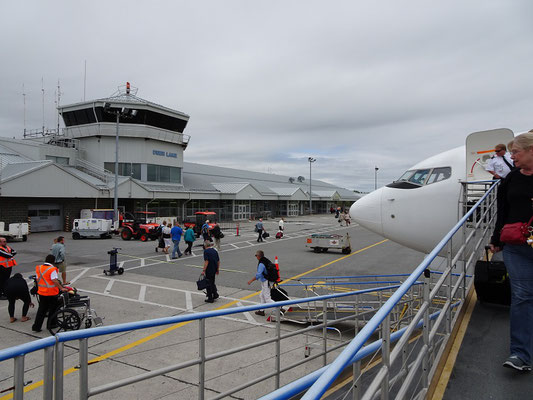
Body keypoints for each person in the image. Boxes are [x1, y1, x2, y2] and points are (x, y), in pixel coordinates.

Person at [489, 132, 533, 372]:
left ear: (531, 150)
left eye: (516, 152)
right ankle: (520, 354)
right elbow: (502, 210)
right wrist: (497, 239)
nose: (512, 156)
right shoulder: (511, 179)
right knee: (523, 296)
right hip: (517, 246)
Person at [32, 255, 68, 333]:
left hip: (41, 292)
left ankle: (36, 326)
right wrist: (61, 288)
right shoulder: (52, 269)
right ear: (53, 261)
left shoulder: (39, 268)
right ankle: (51, 325)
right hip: (51, 293)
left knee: (41, 310)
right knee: (53, 309)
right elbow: (54, 280)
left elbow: (38, 279)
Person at [247, 250, 274, 316]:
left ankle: (278, 308)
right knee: (262, 295)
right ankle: (261, 311)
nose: (256, 257)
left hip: (266, 281)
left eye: (256, 255)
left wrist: (251, 280)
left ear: (259, 256)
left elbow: (258, 275)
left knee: (267, 298)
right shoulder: (265, 260)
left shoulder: (261, 264)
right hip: (267, 280)